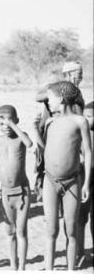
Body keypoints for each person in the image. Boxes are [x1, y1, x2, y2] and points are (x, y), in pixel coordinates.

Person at [33, 81, 91, 270]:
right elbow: (46, 149)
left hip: (72, 181)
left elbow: (88, 153)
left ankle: (70, 270)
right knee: (51, 230)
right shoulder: (50, 121)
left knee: (71, 230)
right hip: (51, 181)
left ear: (63, 99)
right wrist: (35, 131)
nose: (48, 102)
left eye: (51, 99)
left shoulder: (79, 121)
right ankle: (49, 270)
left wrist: (85, 183)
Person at [0, 105, 33, 270]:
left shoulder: (21, 137)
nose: (6, 127)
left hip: (22, 191)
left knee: (21, 231)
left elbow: (29, 143)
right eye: (2, 124)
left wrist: (12, 125)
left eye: (9, 123)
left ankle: (23, 267)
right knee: (10, 232)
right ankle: (13, 265)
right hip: (6, 193)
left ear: (16, 121)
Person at [34, 61, 84, 201]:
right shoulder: (56, 89)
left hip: (71, 134)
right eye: (78, 74)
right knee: (45, 165)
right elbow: (37, 96)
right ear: (68, 74)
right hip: (51, 134)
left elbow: (79, 113)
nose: (81, 78)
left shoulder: (76, 93)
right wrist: (59, 93)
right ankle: (42, 189)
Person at [77, 101, 94, 266]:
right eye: (85, 116)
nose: (86, 120)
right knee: (81, 217)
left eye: (89, 116)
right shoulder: (81, 134)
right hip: (84, 178)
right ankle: (80, 253)